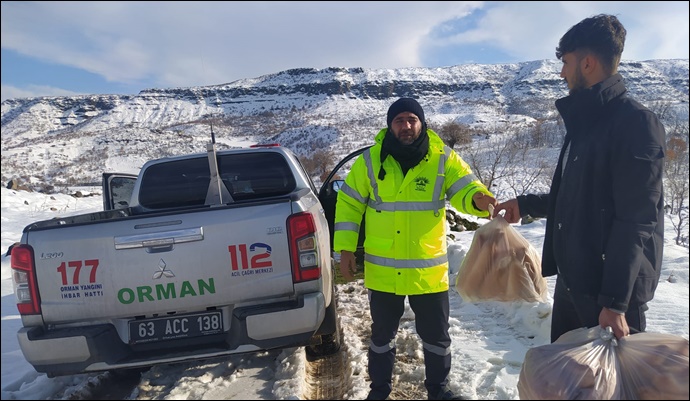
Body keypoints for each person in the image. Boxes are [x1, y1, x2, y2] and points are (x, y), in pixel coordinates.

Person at [493, 14, 666, 343]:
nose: (562, 72)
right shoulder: (584, 123)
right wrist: (525, 204)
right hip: (574, 284)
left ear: (587, 63)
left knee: (608, 391)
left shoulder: (637, 123)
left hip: (609, 296)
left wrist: (615, 303)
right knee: (569, 387)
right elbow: (580, 196)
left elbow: (636, 219)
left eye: (566, 62)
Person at [334, 97, 496, 400]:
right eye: (399, 120)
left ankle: (439, 391)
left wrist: (479, 200)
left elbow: (466, 187)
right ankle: (378, 391)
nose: (406, 126)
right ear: (390, 125)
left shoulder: (442, 158)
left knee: (437, 337)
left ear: (421, 123)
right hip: (384, 272)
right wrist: (345, 250)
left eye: (412, 119)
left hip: (427, 269)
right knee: (381, 337)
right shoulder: (370, 161)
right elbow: (349, 204)